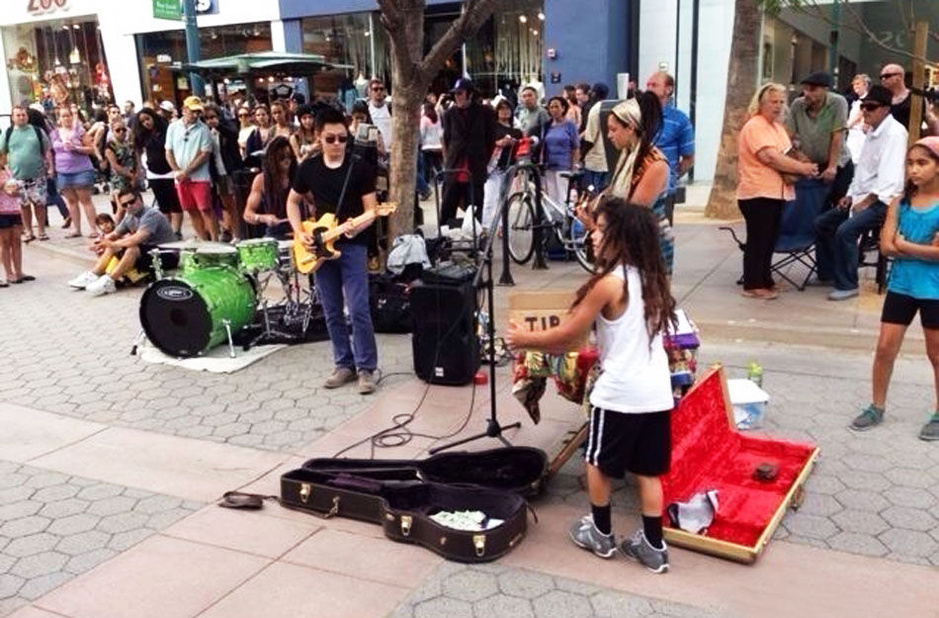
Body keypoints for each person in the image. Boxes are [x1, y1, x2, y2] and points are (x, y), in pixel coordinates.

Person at [506, 198, 677, 573]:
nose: (593, 236)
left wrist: (524, 339)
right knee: (648, 470)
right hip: (656, 394)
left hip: (618, 393)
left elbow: (570, 336)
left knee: (596, 461)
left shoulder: (607, 284)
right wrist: (590, 221)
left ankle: (600, 533)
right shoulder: (651, 277)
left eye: (600, 230)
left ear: (620, 236)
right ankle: (653, 544)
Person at [286, 107, 380, 395]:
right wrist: (300, 233)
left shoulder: (360, 166)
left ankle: (367, 367)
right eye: (331, 139)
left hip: (352, 245)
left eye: (342, 138)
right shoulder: (309, 168)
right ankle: (343, 363)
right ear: (318, 137)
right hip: (320, 246)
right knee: (330, 310)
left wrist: (358, 227)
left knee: (359, 308)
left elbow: (372, 210)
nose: (337, 144)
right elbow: (292, 202)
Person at [851, 137, 939, 440]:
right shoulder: (900, 203)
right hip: (902, 285)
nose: (914, 169)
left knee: (936, 353)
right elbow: (887, 247)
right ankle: (877, 406)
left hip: (934, 288)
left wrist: (904, 244)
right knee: (885, 347)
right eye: (910, 163)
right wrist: (918, 248)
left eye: (922, 163)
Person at [815, 85, 907, 301]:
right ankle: (829, 272)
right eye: (863, 106)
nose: (865, 111)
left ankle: (848, 283)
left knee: (845, 231)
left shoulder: (894, 134)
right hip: (861, 195)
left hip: (883, 201)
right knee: (822, 223)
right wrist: (849, 194)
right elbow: (861, 171)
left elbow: (889, 180)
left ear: (885, 109)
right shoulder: (872, 132)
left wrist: (865, 202)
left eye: (871, 107)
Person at [736, 83, 818, 299]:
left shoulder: (778, 128)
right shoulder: (755, 126)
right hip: (757, 192)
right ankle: (752, 284)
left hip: (777, 192)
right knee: (758, 240)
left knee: (769, 239)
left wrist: (803, 163)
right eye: (774, 101)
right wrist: (802, 168)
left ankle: (765, 280)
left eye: (782, 102)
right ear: (761, 103)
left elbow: (788, 153)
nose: (778, 106)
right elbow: (770, 157)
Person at [599, 93, 674, 275]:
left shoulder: (655, 164)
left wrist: (601, 217)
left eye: (613, 129)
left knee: (647, 299)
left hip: (648, 244)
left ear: (630, 128)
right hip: (626, 239)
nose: (609, 135)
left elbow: (634, 210)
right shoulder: (628, 156)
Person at [67, 188, 178, 296]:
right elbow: (115, 234)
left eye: (131, 202)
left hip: (166, 255)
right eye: (124, 205)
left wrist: (113, 243)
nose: (129, 206)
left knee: (131, 248)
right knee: (113, 247)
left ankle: (109, 281)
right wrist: (100, 242)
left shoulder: (151, 215)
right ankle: (93, 275)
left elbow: (138, 238)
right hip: (150, 255)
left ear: (140, 199)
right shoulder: (130, 217)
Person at [785, 72, 853, 219]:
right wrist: (799, 155)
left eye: (813, 90)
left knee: (838, 208)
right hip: (813, 165)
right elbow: (787, 136)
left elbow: (837, 136)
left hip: (839, 163)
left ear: (825, 90)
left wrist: (832, 166)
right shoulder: (798, 105)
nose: (807, 93)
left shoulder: (838, 102)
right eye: (806, 89)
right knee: (815, 210)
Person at [439, 77, 496, 226]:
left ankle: (475, 242)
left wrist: (482, 159)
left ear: (470, 94)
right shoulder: (449, 114)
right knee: (447, 208)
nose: (457, 97)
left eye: (460, 93)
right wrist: (448, 162)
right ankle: (444, 241)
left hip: (475, 167)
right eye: (455, 94)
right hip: (454, 168)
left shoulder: (485, 112)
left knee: (475, 209)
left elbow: (490, 139)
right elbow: (447, 139)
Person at [646, 71, 695, 226]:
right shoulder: (638, 115)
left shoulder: (680, 119)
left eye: (654, 85)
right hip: (638, 187)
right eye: (648, 85)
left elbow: (689, 158)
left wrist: (670, 176)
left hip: (664, 192)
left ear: (668, 90)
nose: (649, 88)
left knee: (661, 239)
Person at [166, 95, 217, 241]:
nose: (195, 115)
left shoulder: (203, 129)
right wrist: (177, 170)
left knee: (205, 209)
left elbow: (204, 154)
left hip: (199, 177)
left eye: (198, 112)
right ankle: (203, 239)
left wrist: (186, 171)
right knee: (190, 210)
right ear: (184, 110)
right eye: (192, 111)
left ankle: (214, 240)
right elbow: (168, 151)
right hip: (180, 178)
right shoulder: (173, 127)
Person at [0, 105, 53, 242]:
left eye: (23, 115)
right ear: (13, 117)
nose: (21, 117)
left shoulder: (37, 131)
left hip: (38, 174)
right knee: (24, 205)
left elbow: (47, 150)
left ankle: (41, 230)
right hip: (17, 176)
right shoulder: (8, 133)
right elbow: (2, 152)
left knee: (39, 204)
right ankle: (28, 231)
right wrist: (6, 170)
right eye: (18, 115)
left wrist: (50, 167)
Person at [52, 106, 100, 239]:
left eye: (68, 115)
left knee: (85, 200)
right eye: (63, 116)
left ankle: (93, 228)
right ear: (59, 119)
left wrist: (76, 148)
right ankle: (76, 228)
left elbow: (91, 149)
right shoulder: (55, 133)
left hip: (81, 169)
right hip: (63, 171)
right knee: (71, 201)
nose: (66, 118)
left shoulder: (79, 131)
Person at [135, 108, 183, 238]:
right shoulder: (143, 135)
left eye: (148, 119)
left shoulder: (166, 130)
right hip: (153, 172)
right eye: (143, 121)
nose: (146, 123)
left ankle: (177, 230)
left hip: (169, 171)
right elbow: (138, 151)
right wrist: (140, 168)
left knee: (175, 202)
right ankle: (167, 230)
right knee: (163, 204)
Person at [204, 102, 243, 243]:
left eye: (213, 117)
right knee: (226, 205)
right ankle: (233, 232)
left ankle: (239, 233)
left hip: (231, 171)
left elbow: (234, 135)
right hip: (218, 173)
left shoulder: (227, 126)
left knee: (236, 204)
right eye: (207, 118)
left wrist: (218, 125)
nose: (210, 120)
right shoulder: (206, 132)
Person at [244, 136, 294, 240]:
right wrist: (263, 218)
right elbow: (247, 214)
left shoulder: (298, 176)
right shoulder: (261, 180)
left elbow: (312, 202)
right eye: (282, 158)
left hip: (299, 228)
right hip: (275, 231)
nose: (286, 161)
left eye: (289, 156)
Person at [482, 99, 522, 227]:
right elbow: (484, 144)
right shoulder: (492, 127)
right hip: (493, 168)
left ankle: (501, 225)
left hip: (509, 168)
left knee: (503, 199)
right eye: (502, 109)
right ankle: (486, 227)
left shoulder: (517, 131)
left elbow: (524, 145)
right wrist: (499, 143)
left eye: (508, 109)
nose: (505, 112)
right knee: (489, 199)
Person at [542, 96, 580, 207]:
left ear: (563, 108)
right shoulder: (547, 126)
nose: (554, 109)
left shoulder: (570, 125)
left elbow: (576, 147)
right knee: (551, 198)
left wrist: (574, 166)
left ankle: (566, 221)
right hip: (549, 166)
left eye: (557, 107)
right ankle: (555, 222)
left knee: (563, 196)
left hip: (564, 166)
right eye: (551, 107)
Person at [880, 63, 939, 136]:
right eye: (881, 77)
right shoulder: (881, 99)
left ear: (899, 76)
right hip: (888, 142)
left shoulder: (916, 97)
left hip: (911, 142)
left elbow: (930, 120)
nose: (883, 79)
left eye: (887, 76)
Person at [0, 153, 31, 286]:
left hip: (14, 208)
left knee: (17, 241)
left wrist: (17, 190)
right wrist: (5, 187)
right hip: (1, 211)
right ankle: (9, 273)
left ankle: (19, 271)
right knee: (5, 243)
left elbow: (15, 188)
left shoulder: (7, 170)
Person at [104, 117, 140, 221]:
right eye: (118, 130)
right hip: (119, 180)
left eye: (124, 129)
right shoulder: (110, 146)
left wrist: (136, 174)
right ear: (113, 131)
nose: (121, 132)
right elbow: (115, 166)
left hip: (132, 178)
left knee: (136, 204)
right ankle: (117, 229)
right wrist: (131, 176)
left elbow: (136, 160)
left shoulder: (130, 144)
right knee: (122, 207)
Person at [579, 82, 611, 192]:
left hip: (595, 159)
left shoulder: (594, 110)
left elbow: (590, 138)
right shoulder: (609, 107)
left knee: (592, 191)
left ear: (593, 93)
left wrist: (581, 155)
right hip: (607, 158)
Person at [846, 74, 871, 164]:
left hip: (861, 135)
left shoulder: (867, 99)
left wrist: (847, 126)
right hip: (853, 134)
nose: (855, 86)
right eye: (854, 84)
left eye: (858, 84)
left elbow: (859, 116)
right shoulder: (855, 100)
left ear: (865, 85)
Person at [420, 100, 443, 187]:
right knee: (437, 164)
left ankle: (426, 183)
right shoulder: (437, 118)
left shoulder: (424, 119)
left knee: (426, 166)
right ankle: (442, 178)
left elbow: (422, 133)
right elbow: (440, 131)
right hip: (437, 145)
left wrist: (420, 143)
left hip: (427, 146)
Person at [367, 78, 393, 149]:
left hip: (389, 151)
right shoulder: (367, 108)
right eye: (375, 89)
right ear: (370, 92)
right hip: (373, 150)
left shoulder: (390, 107)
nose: (379, 91)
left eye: (381, 89)